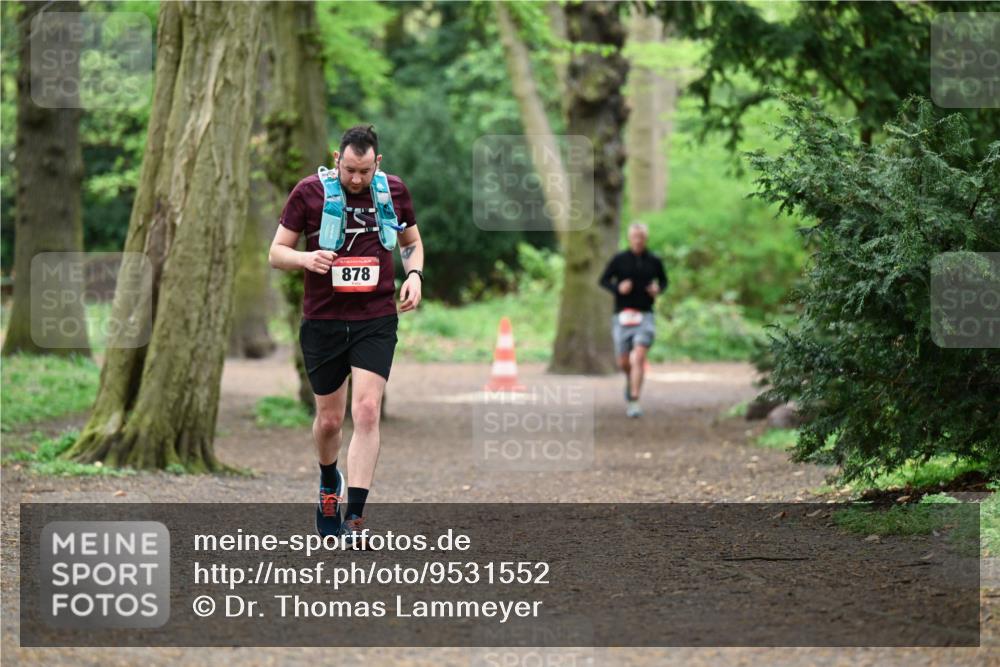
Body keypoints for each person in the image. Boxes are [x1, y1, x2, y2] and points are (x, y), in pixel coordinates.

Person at [269, 125, 423, 544]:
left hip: (375, 317)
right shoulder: (308, 192)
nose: (356, 179)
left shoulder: (392, 191)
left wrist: (414, 275)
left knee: (368, 410)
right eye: (350, 169)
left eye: (365, 170)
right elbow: (276, 252)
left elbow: (410, 241)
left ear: (378, 164)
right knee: (330, 420)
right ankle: (326, 482)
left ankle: (355, 516)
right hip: (323, 320)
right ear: (337, 159)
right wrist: (305, 257)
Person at [598, 223, 667, 418]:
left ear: (646, 238)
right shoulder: (619, 260)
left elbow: (664, 281)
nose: (638, 240)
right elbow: (603, 280)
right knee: (623, 361)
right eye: (635, 237)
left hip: (645, 315)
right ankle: (630, 380)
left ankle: (635, 400)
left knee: (639, 356)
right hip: (622, 315)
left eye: (642, 237)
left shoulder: (654, 260)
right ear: (630, 238)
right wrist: (618, 288)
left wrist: (658, 289)